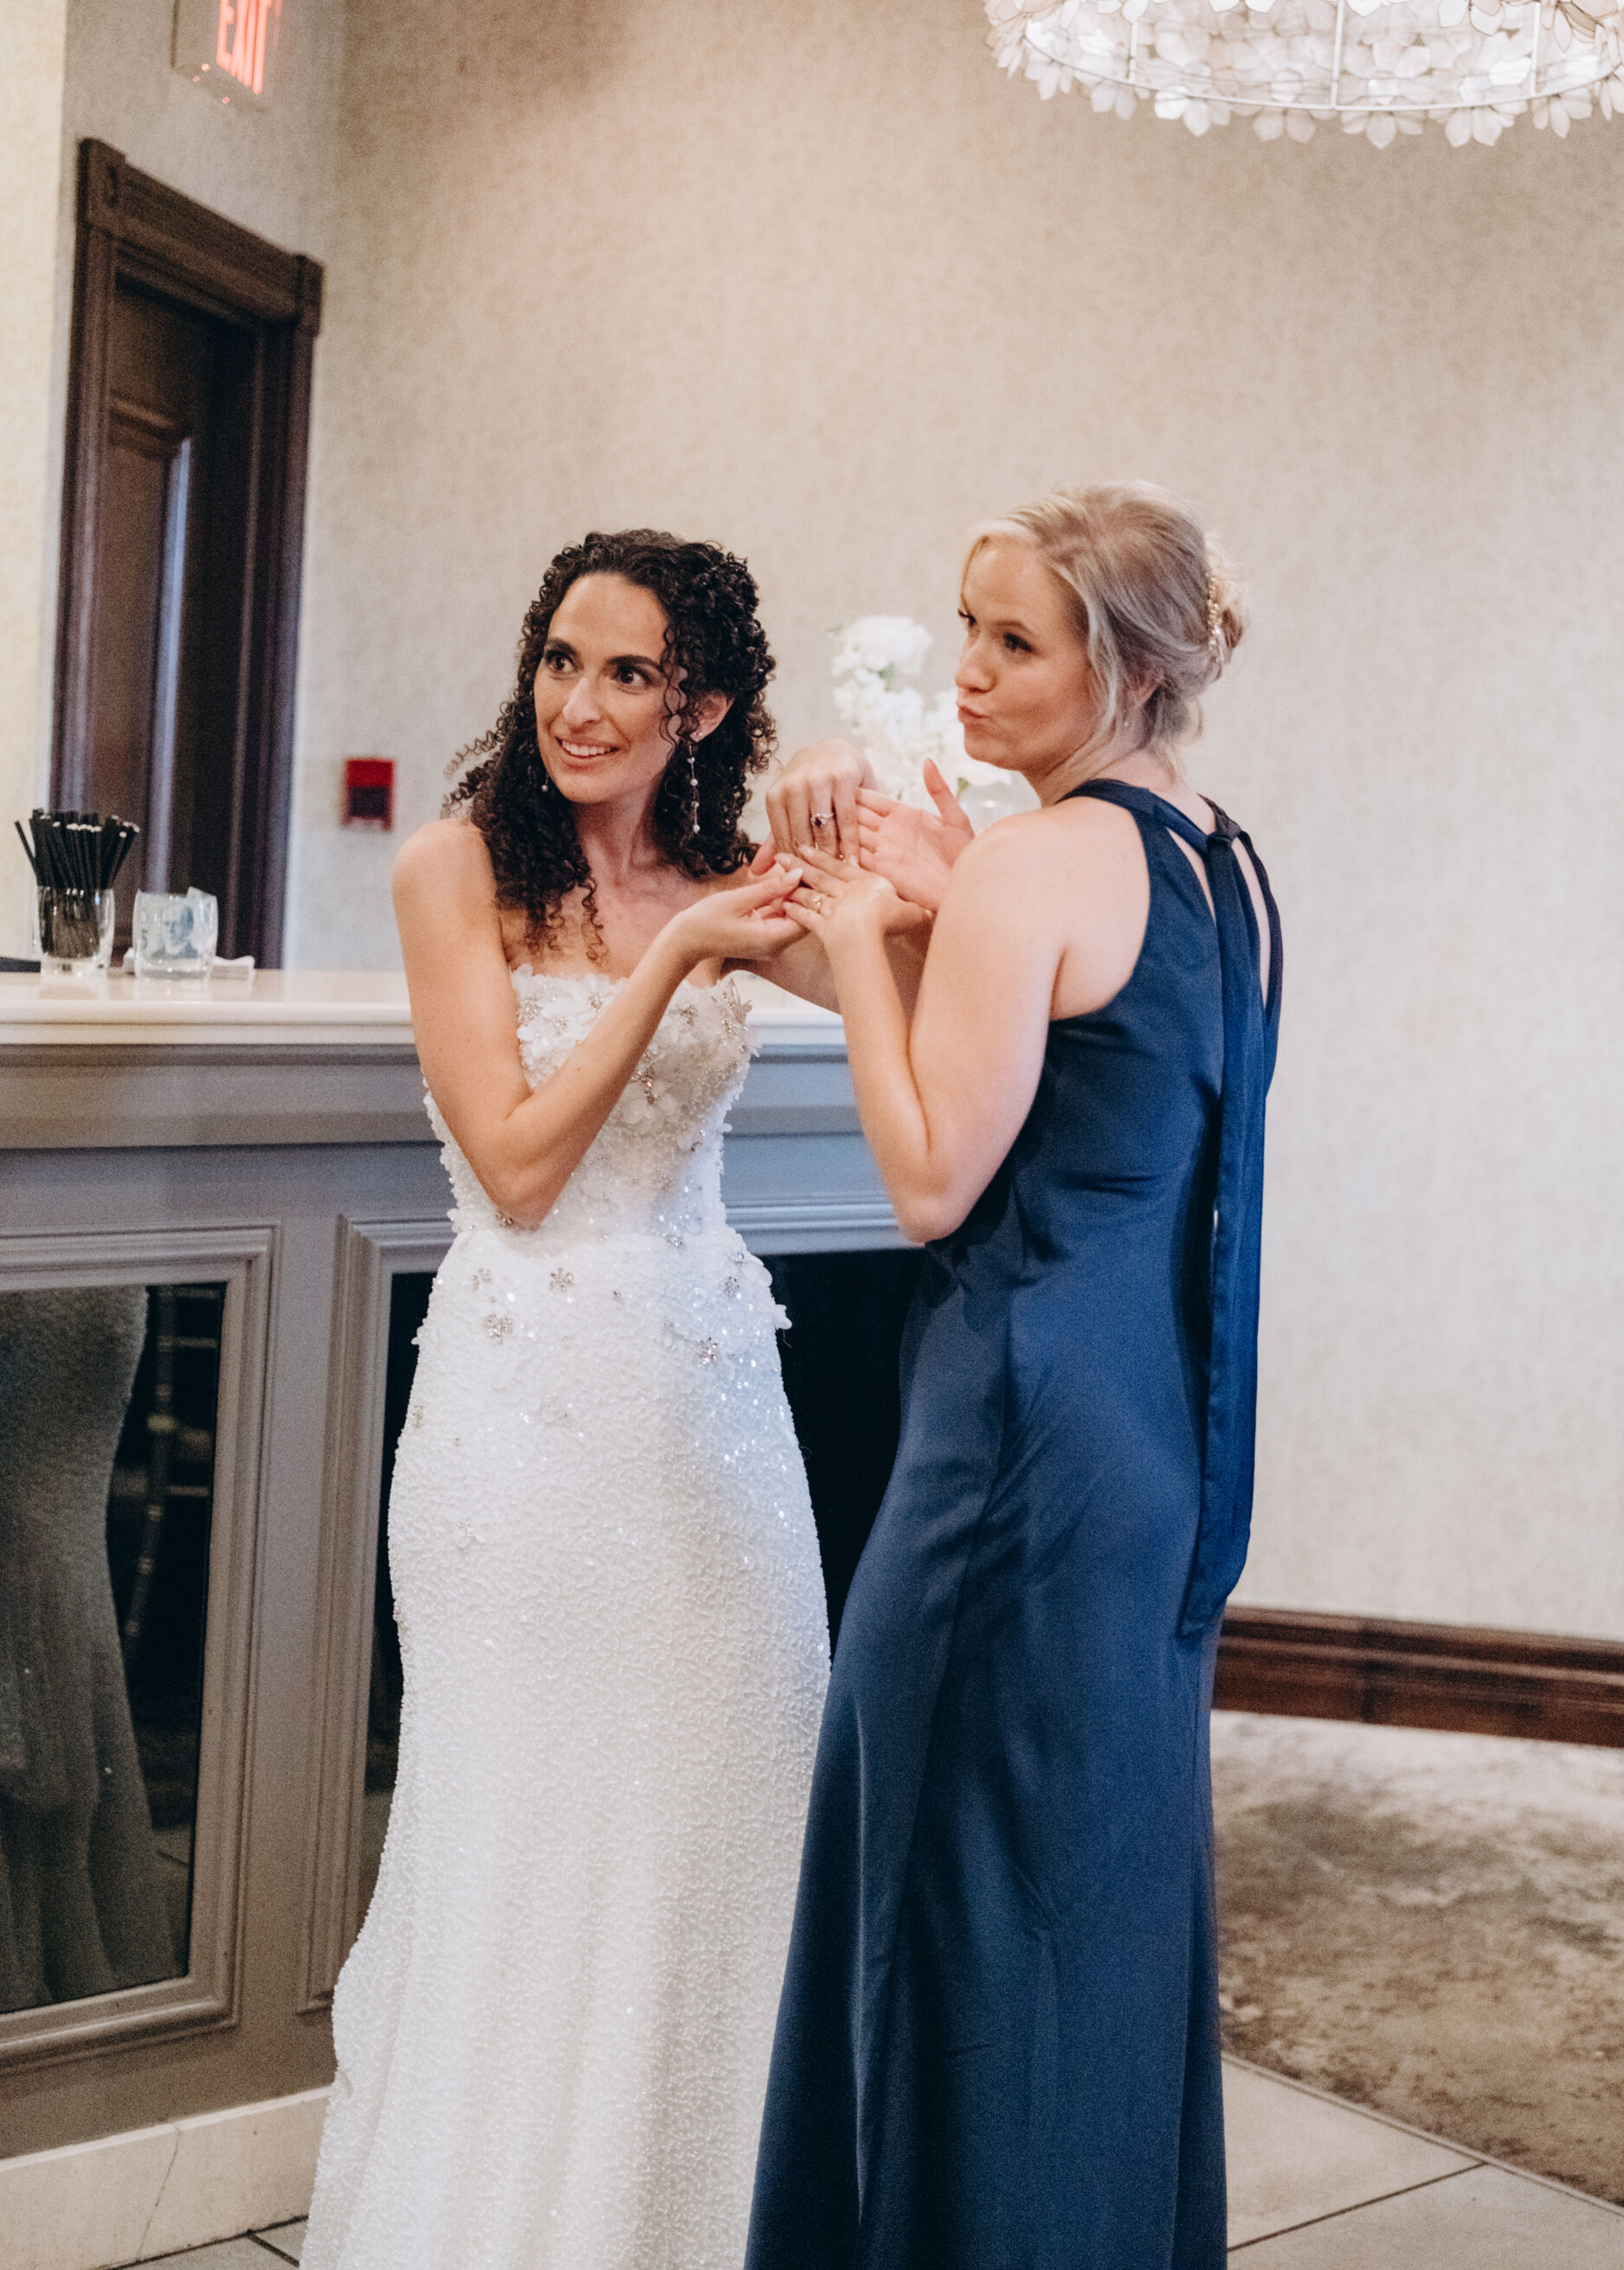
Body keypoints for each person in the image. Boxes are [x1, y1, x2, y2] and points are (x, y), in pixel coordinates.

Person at [746, 483, 1282, 2270]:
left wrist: (856, 937)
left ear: (1124, 672)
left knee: (941, 1898)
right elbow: (1081, 1077)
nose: (970, 672)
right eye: (967, 627)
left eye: (1014, 641)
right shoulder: (1221, 860)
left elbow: (925, 1179)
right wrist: (928, 912)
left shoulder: (1037, 866)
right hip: (1155, 1443)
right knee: (1089, 1911)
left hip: (1012, 1450)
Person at [302, 530, 835, 2270]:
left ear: (705, 709)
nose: (578, 704)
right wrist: (679, 961)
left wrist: (884, 841)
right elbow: (520, 1167)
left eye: (627, 674)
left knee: (725, 1813)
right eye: (558, 660)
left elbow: (929, 978)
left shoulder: (727, 873)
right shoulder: (455, 868)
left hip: (714, 1420)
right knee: (526, 1832)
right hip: (522, 1426)